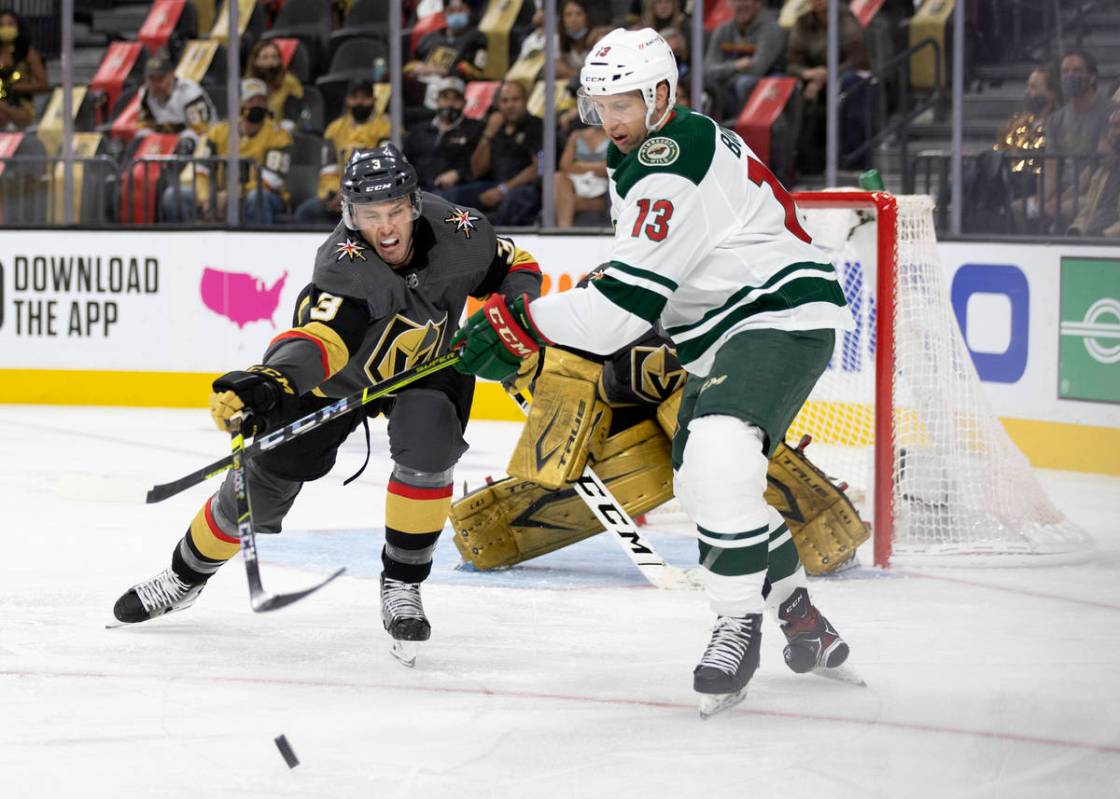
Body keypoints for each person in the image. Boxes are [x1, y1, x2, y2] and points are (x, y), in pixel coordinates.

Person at [451, 27, 855, 717]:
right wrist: (545, 317)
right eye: (601, 102)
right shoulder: (639, 153)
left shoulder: (670, 153)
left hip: (774, 314)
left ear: (663, 96)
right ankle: (801, 617)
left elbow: (617, 315)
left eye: (627, 102)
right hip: (720, 332)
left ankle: (736, 624)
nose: (612, 118)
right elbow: (646, 274)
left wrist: (523, 322)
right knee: (704, 483)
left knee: (722, 456)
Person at [113, 144, 543, 667]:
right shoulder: (345, 265)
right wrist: (269, 380)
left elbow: (515, 264)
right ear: (349, 215)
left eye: (393, 213)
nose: (384, 228)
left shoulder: (461, 231)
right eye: (368, 216)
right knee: (262, 486)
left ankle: (403, 584)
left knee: (429, 445)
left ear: (412, 204)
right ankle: (185, 576)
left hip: (426, 367)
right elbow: (325, 338)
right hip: (336, 380)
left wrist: (512, 313)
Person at [162, 78, 292, 224]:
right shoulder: (218, 131)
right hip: (218, 194)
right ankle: (185, 244)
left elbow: (271, 180)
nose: (257, 104)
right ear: (239, 103)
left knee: (257, 198)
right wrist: (207, 198)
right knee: (174, 195)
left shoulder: (279, 135)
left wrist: (232, 194)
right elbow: (198, 170)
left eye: (261, 100)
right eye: (251, 100)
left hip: (263, 195)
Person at [787, 0, 871, 173]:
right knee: (789, 88)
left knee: (850, 83)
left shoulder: (845, 18)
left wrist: (826, 76)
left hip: (844, 75)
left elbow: (856, 59)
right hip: (814, 80)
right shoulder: (803, 21)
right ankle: (802, 162)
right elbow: (792, 62)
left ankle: (852, 159)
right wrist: (807, 74)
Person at [444, 79, 542, 226]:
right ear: (498, 105)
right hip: (493, 184)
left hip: (523, 187)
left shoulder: (536, 125)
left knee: (515, 199)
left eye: (515, 99)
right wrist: (488, 134)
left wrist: (503, 190)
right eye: (505, 101)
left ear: (526, 101)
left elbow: (538, 167)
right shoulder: (494, 128)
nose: (510, 105)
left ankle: (496, 242)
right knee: (449, 197)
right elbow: (477, 170)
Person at [296, 78, 391, 224]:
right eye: (355, 98)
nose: (360, 102)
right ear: (347, 100)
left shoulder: (385, 127)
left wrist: (350, 193)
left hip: (374, 194)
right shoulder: (334, 129)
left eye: (365, 98)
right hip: (338, 193)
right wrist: (334, 193)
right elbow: (329, 169)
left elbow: (384, 170)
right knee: (305, 212)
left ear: (374, 100)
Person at [1042, 50, 1118, 227]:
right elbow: (1051, 169)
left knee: (1061, 210)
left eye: (1077, 71)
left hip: (1097, 193)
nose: (1070, 76)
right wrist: (1041, 200)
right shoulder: (1055, 120)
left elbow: (1096, 165)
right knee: (1020, 208)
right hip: (1063, 192)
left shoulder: (1111, 113)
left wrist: (1061, 200)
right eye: (1065, 71)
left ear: (1092, 77)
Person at [703, 0, 787, 122]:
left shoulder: (771, 29)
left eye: (746, 1)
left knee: (744, 83)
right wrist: (735, 66)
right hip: (731, 81)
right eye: (737, 1)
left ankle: (742, 127)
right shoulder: (723, 29)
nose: (741, 5)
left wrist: (723, 74)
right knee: (707, 83)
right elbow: (708, 69)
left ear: (758, 4)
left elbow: (757, 69)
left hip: (769, 82)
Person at [403, 76, 484, 198]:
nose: (450, 104)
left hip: (454, 189)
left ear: (464, 102)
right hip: (418, 188)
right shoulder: (420, 129)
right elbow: (405, 160)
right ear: (437, 101)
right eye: (445, 98)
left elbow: (480, 164)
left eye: (456, 99)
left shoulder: (474, 129)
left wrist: (458, 174)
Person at [405, 0, 489, 108]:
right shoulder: (429, 37)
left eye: (460, 10)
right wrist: (416, 68)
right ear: (444, 12)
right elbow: (410, 64)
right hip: (421, 81)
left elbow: (474, 69)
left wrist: (438, 70)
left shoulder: (477, 38)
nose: (456, 14)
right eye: (451, 10)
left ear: (469, 12)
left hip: (451, 85)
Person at [136, 50, 216, 138]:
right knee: (142, 135)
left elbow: (200, 131)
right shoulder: (145, 94)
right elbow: (145, 124)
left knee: (189, 136)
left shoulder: (189, 92)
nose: (156, 84)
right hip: (165, 139)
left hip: (203, 140)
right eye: (152, 79)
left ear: (172, 75)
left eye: (160, 78)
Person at [1068, 108, 1120, 237]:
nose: (1114, 133)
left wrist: (1105, 235)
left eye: (1118, 126)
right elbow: (1087, 210)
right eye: (1112, 127)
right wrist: (1075, 230)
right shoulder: (1104, 170)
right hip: (1092, 240)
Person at [554, 120, 609, 226]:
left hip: (604, 184)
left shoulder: (615, 135)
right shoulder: (576, 136)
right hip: (577, 182)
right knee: (558, 178)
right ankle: (563, 231)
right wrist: (597, 166)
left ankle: (567, 209)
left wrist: (578, 165)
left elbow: (608, 167)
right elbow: (565, 166)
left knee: (564, 202)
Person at [0, 8, 47, 130]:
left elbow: (42, 85)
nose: (6, 28)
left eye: (10, 24)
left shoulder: (28, 53)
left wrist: (16, 88)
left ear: (19, 27)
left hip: (21, 106)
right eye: (1, 25)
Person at [244, 39, 306, 132]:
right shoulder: (247, 84)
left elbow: (294, 117)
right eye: (265, 57)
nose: (270, 61)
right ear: (255, 61)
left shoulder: (289, 82)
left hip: (278, 133)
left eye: (274, 57)